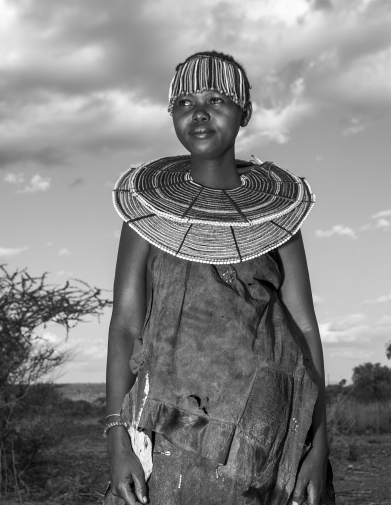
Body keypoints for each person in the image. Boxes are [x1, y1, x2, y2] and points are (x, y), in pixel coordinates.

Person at [104, 51, 335, 505]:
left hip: (266, 437)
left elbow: (305, 328)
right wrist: (117, 441)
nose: (200, 112)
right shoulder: (147, 217)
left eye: (217, 99)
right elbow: (126, 326)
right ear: (172, 114)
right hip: (168, 432)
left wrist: (319, 443)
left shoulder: (278, 219)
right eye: (185, 102)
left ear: (244, 112)